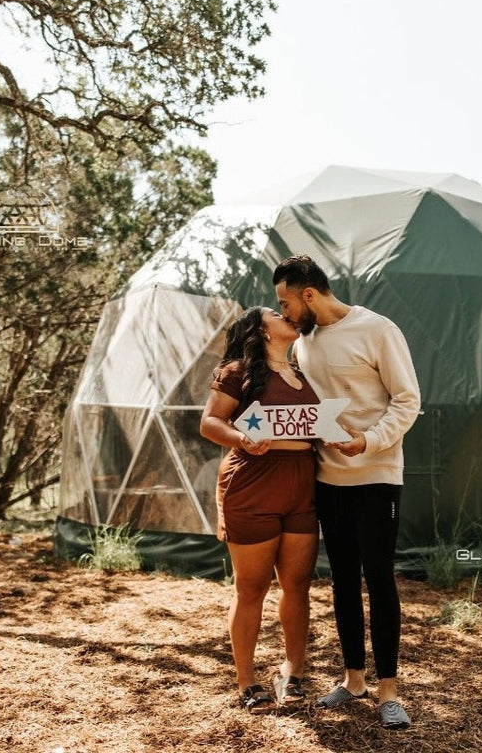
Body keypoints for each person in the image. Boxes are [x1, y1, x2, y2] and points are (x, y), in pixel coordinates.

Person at [272, 255, 421, 731]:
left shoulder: (377, 329)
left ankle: (389, 691)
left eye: (286, 302)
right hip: (327, 480)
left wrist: (367, 441)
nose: (284, 313)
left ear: (309, 294)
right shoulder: (304, 344)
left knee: (378, 578)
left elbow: (408, 400)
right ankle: (353, 680)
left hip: (377, 475)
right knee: (341, 581)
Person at [199, 306, 320, 713]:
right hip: (252, 482)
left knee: (297, 585)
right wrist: (241, 438)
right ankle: (247, 682)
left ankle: (292, 672)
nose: (285, 313)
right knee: (251, 587)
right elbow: (210, 423)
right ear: (260, 331)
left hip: (302, 483)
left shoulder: (305, 372)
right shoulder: (237, 371)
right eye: (274, 311)